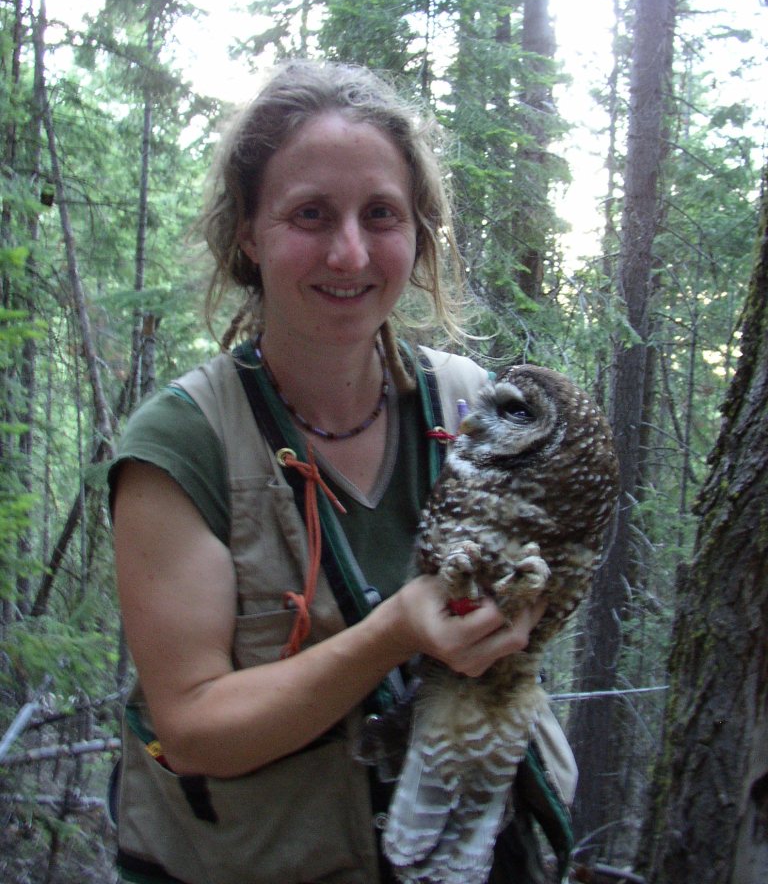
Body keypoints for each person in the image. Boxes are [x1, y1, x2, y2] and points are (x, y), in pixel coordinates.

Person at [110, 60, 576, 884]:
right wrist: (395, 632)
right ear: (248, 234)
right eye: (310, 214)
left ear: (418, 233)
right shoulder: (182, 446)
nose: (350, 251)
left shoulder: (475, 409)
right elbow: (192, 730)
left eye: (381, 214)